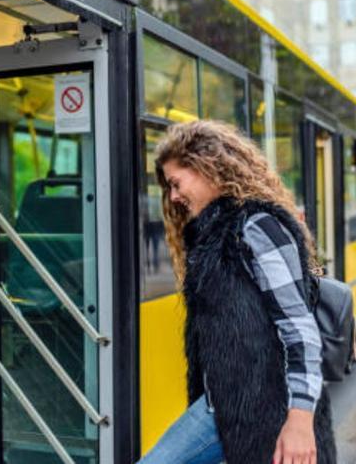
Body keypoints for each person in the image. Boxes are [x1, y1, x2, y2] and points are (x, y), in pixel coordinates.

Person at [139, 120, 335, 464]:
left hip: (269, 410)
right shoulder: (212, 235)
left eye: (175, 183)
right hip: (220, 408)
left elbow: (300, 329)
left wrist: (301, 421)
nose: (173, 196)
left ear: (205, 166)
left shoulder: (257, 226)